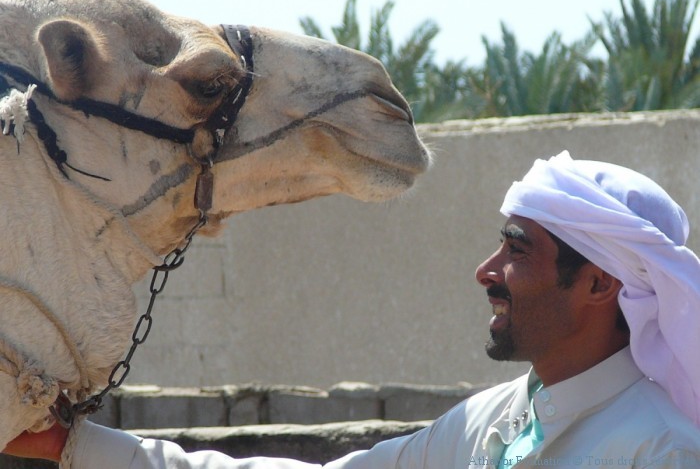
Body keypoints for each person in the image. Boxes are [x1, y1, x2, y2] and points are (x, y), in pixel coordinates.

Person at [5, 151, 700, 468]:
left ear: (601, 285)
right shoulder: (490, 422)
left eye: (518, 249)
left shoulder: (659, 448)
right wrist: (79, 447)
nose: (486, 270)